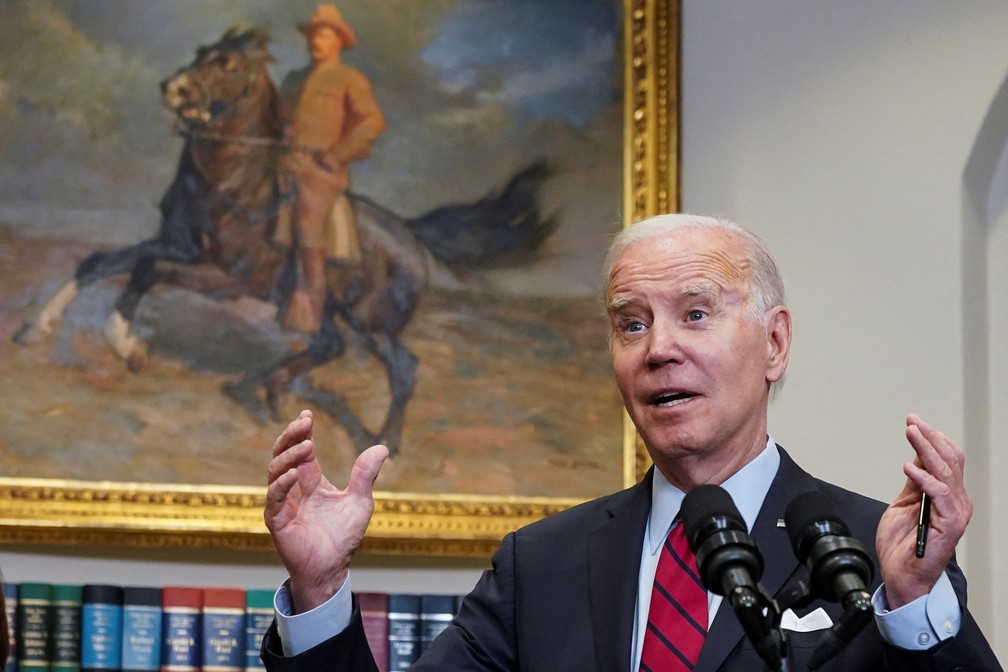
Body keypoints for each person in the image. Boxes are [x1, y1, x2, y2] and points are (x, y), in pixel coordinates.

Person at [260, 214, 1001, 670]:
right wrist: (320, 590)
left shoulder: (876, 553)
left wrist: (914, 603)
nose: (659, 349)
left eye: (696, 314)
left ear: (774, 344)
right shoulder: (540, 565)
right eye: (632, 323)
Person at [275, 3, 386, 333]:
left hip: (320, 171)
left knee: (308, 221)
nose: (315, 41)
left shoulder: (350, 79)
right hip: (285, 162)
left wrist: (338, 154)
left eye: (323, 35)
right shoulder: (293, 79)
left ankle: (310, 309)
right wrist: (282, 132)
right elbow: (278, 119)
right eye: (312, 35)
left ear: (339, 40)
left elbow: (373, 121)